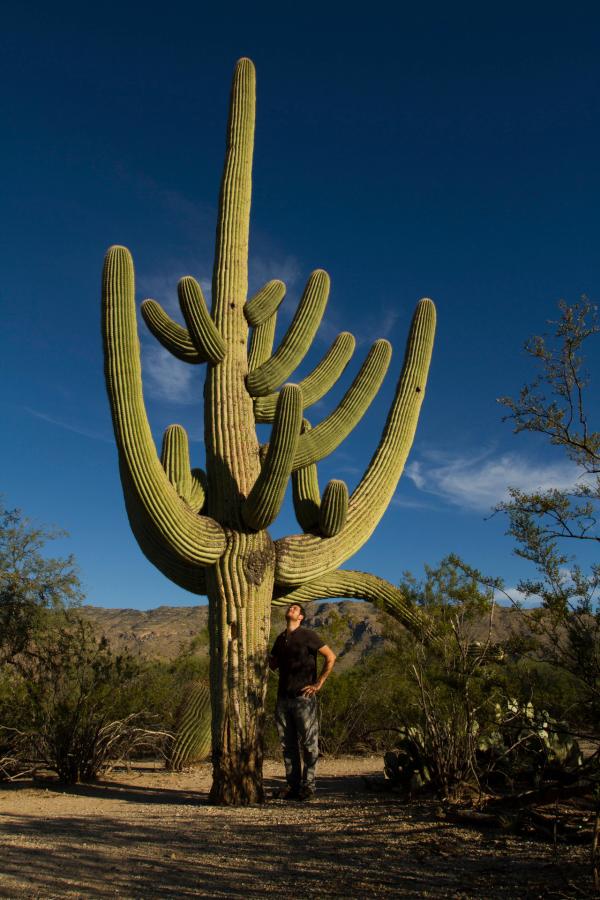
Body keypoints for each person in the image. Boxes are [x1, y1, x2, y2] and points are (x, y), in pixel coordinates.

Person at [269, 602, 336, 800]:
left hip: (303, 698)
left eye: (296, 609)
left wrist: (319, 683)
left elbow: (330, 656)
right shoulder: (280, 639)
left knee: (308, 743)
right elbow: (272, 664)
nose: (291, 609)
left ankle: (309, 786)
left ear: (301, 617)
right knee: (287, 745)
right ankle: (292, 786)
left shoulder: (308, 635)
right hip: (283, 698)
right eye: (290, 607)